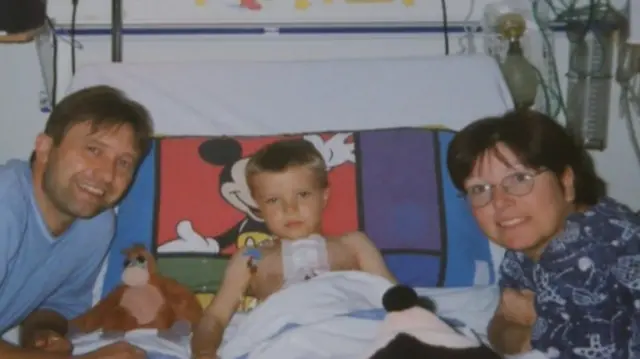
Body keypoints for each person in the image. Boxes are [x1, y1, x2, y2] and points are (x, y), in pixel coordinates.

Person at [446, 109, 640, 359]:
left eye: (519, 178)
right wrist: (532, 327)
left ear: (567, 181)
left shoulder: (589, 250)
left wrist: (530, 324)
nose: (500, 202)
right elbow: (501, 323)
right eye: (480, 188)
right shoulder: (535, 241)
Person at [191, 138, 397, 359]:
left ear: (324, 196)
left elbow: (396, 297)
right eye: (273, 200)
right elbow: (215, 317)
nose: (290, 209)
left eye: (303, 195)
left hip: (352, 333)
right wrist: (204, 351)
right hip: (287, 343)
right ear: (258, 207)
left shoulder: (353, 244)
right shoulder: (252, 257)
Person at [0, 85, 154, 359]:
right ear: (45, 147)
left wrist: (42, 335)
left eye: (123, 162)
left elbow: (56, 305)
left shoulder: (94, 225)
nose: (107, 174)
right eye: (93, 149)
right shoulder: (6, 203)